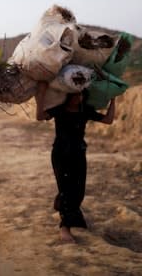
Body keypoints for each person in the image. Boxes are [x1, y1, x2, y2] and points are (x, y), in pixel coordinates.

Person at [35, 82, 115, 243]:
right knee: (66, 189)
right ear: (68, 95)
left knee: (79, 189)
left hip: (78, 152)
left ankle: (68, 212)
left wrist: (113, 100)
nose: (77, 98)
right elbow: (40, 116)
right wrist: (42, 93)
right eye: (74, 95)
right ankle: (65, 227)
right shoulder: (59, 110)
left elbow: (108, 120)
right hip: (60, 154)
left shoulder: (84, 111)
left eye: (79, 95)